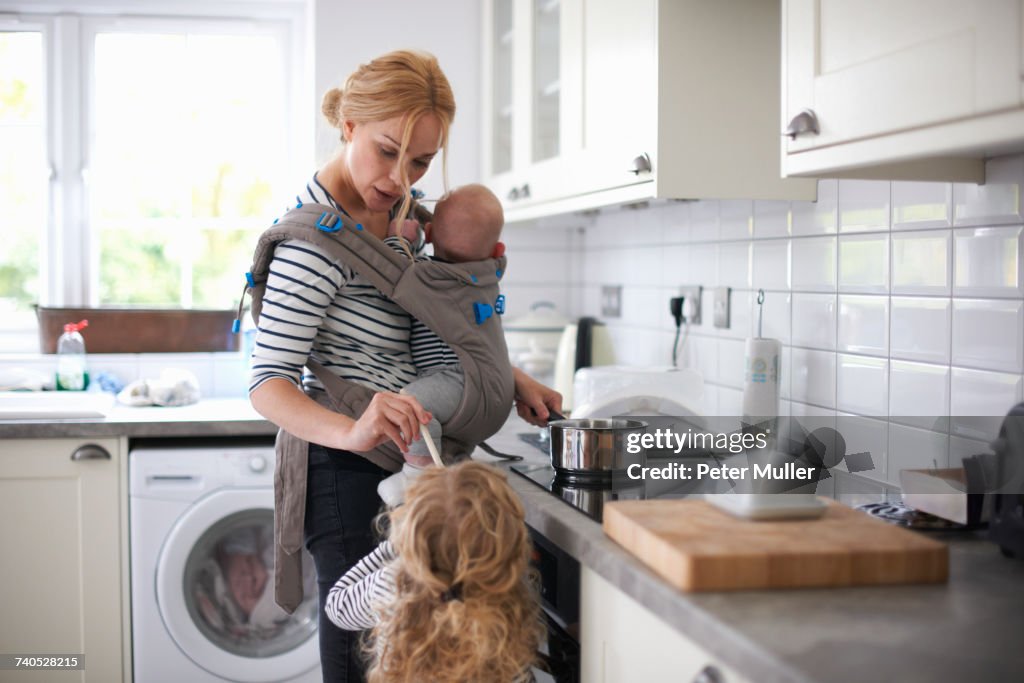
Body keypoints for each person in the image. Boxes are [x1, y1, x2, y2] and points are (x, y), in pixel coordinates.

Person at [248, 49, 561, 683]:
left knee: (422, 659)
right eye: (386, 151)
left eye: (419, 161)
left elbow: (432, 330)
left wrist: (509, 379)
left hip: (410, 461)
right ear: (348, 127)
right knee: (366, 663)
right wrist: (354, 428)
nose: (399, 177)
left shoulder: (405, 220)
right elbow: (266, 383)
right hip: (346, 473)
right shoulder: (313, 244)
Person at [325, 461, 543, 683]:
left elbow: (337, 607)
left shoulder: (393, 581)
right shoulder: (507, 601)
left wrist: (394, 546)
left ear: (411, 532)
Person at [376, 183, 506, 507]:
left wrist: (399, 239)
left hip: (455, 379)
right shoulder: (491, 273)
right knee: (428, 416)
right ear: (498, 250)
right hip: (493, 389)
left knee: (412, 406)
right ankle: (452, 466)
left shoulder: (427, 277)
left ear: (429, 233)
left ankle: (418, 481)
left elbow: (388, 274)